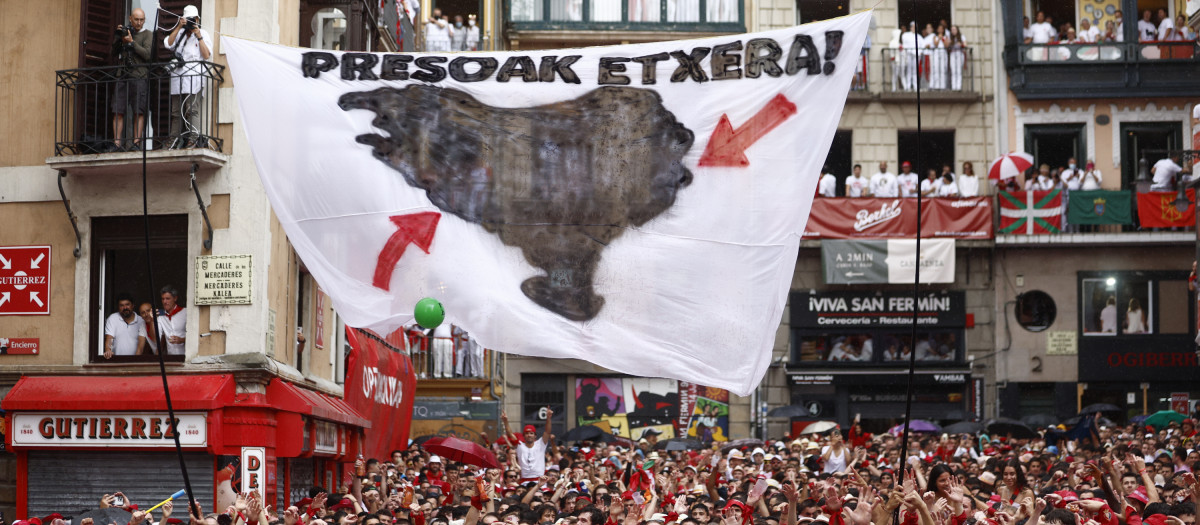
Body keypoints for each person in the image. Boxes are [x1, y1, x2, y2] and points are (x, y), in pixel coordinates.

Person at [164, 5, 212, 149]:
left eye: (193, 19)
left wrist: (199, 36)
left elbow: (207, 55)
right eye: (188, 19)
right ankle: (173, 139)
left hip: (194, 76)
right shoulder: (180, 33)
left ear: (197, 19)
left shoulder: (202, 33)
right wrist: (179, 27)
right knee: (176, 112)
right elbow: (168, 44)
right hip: (178, 75)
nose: (191, 22)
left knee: (192, 109)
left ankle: (193, 138)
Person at [111, 8, 153, 151]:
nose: (139, 23)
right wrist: (119, 37)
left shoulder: (148, 35)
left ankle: (136, 143)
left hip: (140, 76)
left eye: (142, 20)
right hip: (122, 75)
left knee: (138, 111)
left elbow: (147, 54)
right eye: (136, 20)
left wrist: (132, 42)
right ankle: (116, 143)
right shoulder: (125, 33)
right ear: (130, 19)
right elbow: (113, 52)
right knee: (118, 110)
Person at [500, 408, 553, 482]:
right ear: (524, 436)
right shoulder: (520, 445)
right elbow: (510, 435)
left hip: (540, 480)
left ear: (535, 436)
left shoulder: (541, 444)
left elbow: (547, 431)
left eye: (531, 433)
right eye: (527, 433)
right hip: (524, 480)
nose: (529, 435)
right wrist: (505, 421)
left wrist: (548, 418)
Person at [104, 293, 148, 358]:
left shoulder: (141, 321)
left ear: (133, 305)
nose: (125, 308)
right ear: (118, 307)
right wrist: (108, 350)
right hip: (117, 361)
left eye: (127, 304)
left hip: (136, 361)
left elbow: (145, 345)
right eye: (121, 305)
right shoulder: (112, 318)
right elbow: (109, 338)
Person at [158, 285, 187, 355]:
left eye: (167, 298)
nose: (165, 301)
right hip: (171, 357)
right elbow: (156, 338)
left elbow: (196, 335)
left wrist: (182, 340)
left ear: (175, 298)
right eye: (163, 299)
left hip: (186, 356)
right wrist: (152, 320)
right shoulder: (161, 316)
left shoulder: (185, 312)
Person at [898, 22, 918, 91]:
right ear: (910, 27)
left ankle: (915, 87)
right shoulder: (906, 35)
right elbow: (904, 44)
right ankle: (908, 86)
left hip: (915, 56)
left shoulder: (918, 36)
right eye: (913, 27)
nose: (914, 28)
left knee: (915, 72)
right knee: (909, 71)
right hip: (909, 54)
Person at [929, 25, 948, 90]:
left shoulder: (945, 37)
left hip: (943, 53)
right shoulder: (935, 36)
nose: (940, 30)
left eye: (941, 29)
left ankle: (942, 85)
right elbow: (936, 44)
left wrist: (942, 38)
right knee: (936, 69)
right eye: (939, 28)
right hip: (937, 53)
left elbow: (946, 45)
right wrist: (939, 38)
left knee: (942, 69)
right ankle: (936, 85)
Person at [948, 25, 967, 91]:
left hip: (959, 53)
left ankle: (958, 87)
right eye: (952, 30)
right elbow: (947, 45)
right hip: (953, 53)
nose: (953, 31)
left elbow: (965, 45)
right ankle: (954, 87)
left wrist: (961, 44)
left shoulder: (961, 37)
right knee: (953, 70)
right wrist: (949, 43)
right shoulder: (950, 37)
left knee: (958, 70)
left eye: (954, 29)